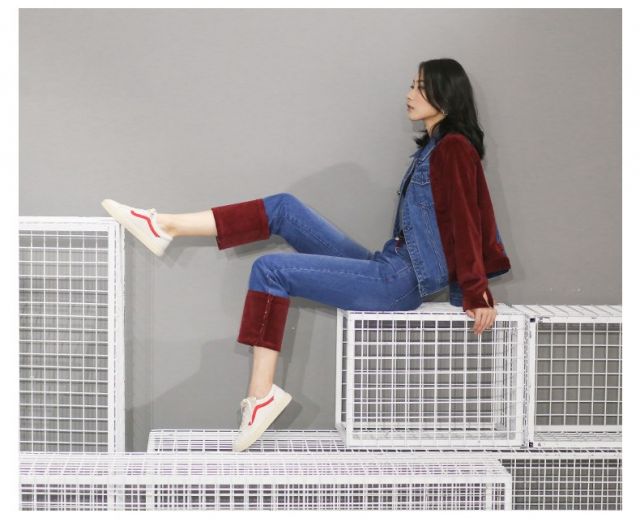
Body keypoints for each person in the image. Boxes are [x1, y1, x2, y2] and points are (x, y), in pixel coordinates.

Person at [101, 58, 511, 452]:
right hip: (389, 265)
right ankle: (165, 225)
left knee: (270, 269)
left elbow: (466, 220)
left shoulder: (454, 148)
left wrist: (474, 293)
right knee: (284, 207)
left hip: (399, 281)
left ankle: (260, 397)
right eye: (412, 85)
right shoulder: (434, 148)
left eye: (420, 87)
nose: (409, 93)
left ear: (444, 95)